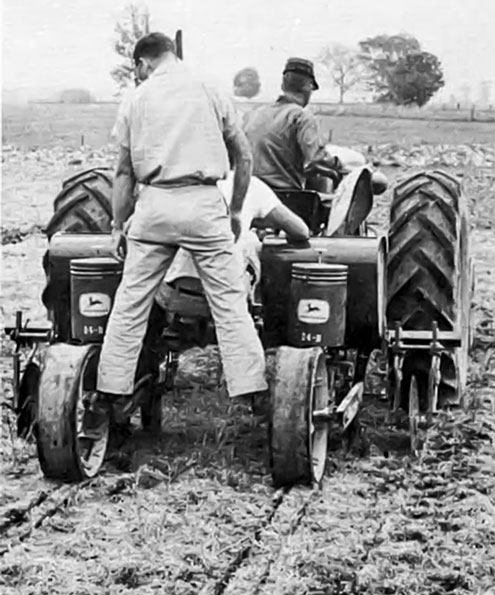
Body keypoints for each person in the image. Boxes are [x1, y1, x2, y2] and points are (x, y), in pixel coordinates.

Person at [91, 32, 268, 420]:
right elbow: (244, 156)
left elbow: (122, 172)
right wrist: (236, 210)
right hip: (204, 204)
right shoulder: (210, 89)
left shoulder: (136, 98)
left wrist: (119, 225)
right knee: (229, 301)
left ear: (142, 63)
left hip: (154, 205)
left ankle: (112, 390)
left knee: (131, 302)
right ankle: (252, 389)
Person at [162, 171, 311, 291]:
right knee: (249, 241)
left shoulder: (174, 183)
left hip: (173, 291)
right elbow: (301, 231)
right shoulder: (253, 186)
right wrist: (259, 220)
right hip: (224, 298)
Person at [243, 58, 338, 191]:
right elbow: (317, 161)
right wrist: (339, 167)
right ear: (308, 87)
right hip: (284, 196)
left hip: (249, 193)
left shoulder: (254, 114)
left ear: (283, 86)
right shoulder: (302, 117)